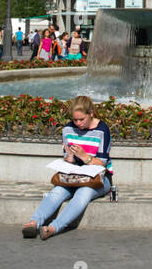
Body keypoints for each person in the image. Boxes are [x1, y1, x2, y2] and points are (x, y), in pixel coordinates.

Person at [23, 95, 112, 239]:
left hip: (98, 179)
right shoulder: (68, 129)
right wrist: (69, 157)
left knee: (83, 193)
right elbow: (68, 160)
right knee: (57, 192)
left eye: (81, 119)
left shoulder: (102, 130)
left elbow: (102, 162)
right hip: (73, 175)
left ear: (91, 114)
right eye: (75, 120)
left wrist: (84, 156)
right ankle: (34, 222)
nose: (78, 123)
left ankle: (53, 228)